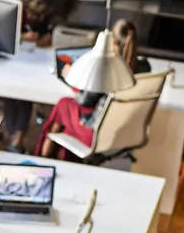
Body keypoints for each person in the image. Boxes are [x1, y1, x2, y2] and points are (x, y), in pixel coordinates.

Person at [39, 18, 152, 161]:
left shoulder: (106, 68)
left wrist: (70, 77)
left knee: (64, 105)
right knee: (67, 112)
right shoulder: (144, 67)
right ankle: (54, 155)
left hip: (97, 133)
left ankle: (45, 156)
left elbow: (86, 100)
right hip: (124, 130)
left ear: (114, 45)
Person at [1, 0, 65, 153]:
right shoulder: (13, 4)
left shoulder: (52, 5)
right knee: (9, 91)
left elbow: (52, 35)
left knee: (24, 95)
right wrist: (22, 37)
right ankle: (14, 138)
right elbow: (3, 30)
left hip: (38, 57)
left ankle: (17, 139)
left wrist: (44, 39)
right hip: (12, 55)